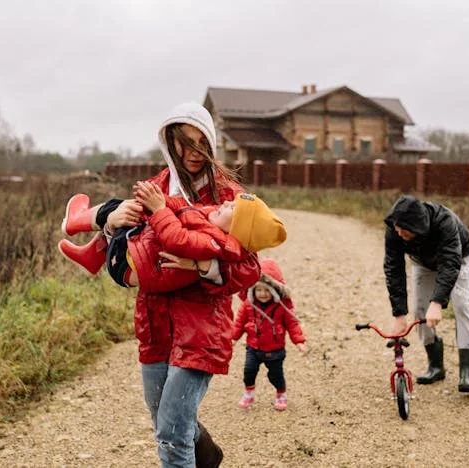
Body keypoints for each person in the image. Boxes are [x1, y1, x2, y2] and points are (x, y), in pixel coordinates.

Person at [101, 102, 265, 468]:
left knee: (172, 432)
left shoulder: (231, 198)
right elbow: (125, 249)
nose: (193, 153)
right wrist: (112, 221)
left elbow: (251, 268)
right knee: (166, 421)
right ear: (170, 142)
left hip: (202, 325)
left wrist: (202, 264)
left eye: (201, 143)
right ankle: (208, 458)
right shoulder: (152, 190)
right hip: (155, 321)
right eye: (185, 143)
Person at [58, 181, 286, 292]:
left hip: (127, 266)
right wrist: (159, 199)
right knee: (131, 210)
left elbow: (177, 239)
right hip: (131, 260)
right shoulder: (211, 220)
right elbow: (185, 207)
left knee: (121, 208)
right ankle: (92, 255)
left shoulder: (215, 243)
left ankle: (76, 221)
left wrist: (158, 209)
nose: (226, 202)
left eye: (232, 208)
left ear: (237, 228)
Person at [383, 194, 469, 393]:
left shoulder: (444, 222)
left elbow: (450, 262)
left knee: (461, 307)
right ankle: (436, 366)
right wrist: (399, 314)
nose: (398, 233)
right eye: (396, 228)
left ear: (417, 226)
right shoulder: (395, 229)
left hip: (458, 260)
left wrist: (437, 303)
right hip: (423, 263)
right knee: (420, 311)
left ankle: (466, 372)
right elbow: (394, 268)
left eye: (404, 229)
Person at [231, 258, 308, 411]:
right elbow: (239, 323)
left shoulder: (282, 306)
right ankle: (249, 393)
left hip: (275, 350)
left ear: (275, 290)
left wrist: (299, 341)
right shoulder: (248, 304)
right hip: (253, 347)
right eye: (259, 290)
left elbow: (292, 324)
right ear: (252, 290)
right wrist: (233, 338)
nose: (263, 294)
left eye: (267, 290)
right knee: (249, 372)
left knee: (275, 375)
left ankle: (281, 394)